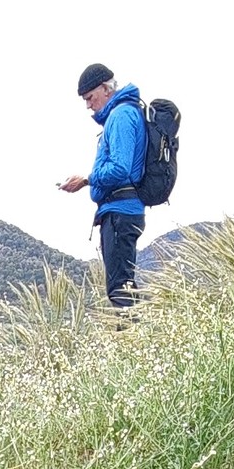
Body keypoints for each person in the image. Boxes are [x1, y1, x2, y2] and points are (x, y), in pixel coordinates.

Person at [58, 63, 147, 306]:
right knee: (122, 284)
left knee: (120, 289)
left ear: (106, 89)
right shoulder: (123, 114)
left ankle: (130, 340)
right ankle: (132, 338)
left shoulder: (121, 115)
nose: (88, 105)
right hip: (121, 211)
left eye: (90, 97)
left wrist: (88, 179)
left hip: (120, 212)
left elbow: (120, 168)